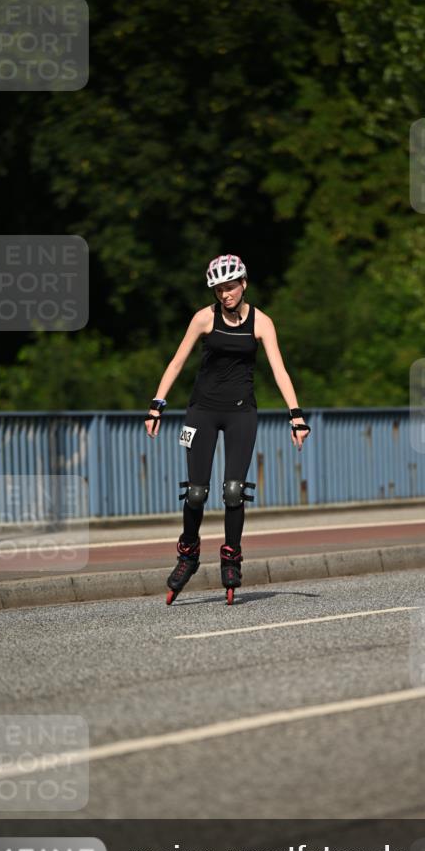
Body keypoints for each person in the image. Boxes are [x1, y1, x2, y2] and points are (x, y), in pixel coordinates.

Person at [144, 254, 311, 604]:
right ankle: (188, 554)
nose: (225, 294)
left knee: (234, 491)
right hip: (201, 412)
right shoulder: (204, 318)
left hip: (241, 413)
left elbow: (279, 370)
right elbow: (177, 362)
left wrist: (296, 416)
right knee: (196, 492)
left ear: (244, 284)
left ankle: (231, 559)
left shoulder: (262, 323)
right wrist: (156, 406)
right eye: (219, 289)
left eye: (230, 287)